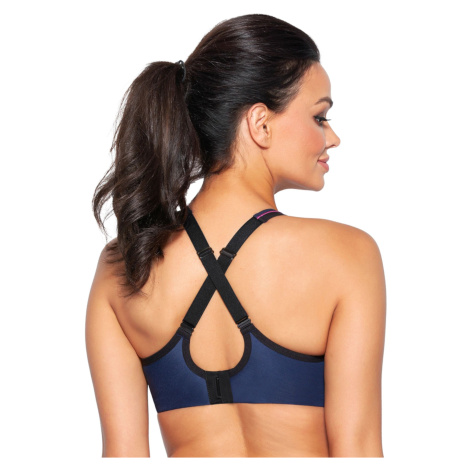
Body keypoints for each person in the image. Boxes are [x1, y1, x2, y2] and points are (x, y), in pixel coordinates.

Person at [86, 13, 386, 458]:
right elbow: (357, 452)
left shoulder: (125, 266)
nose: (333, 137)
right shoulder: (347, 255)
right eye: (320, 117)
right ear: (260, 123)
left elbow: (123, 458)